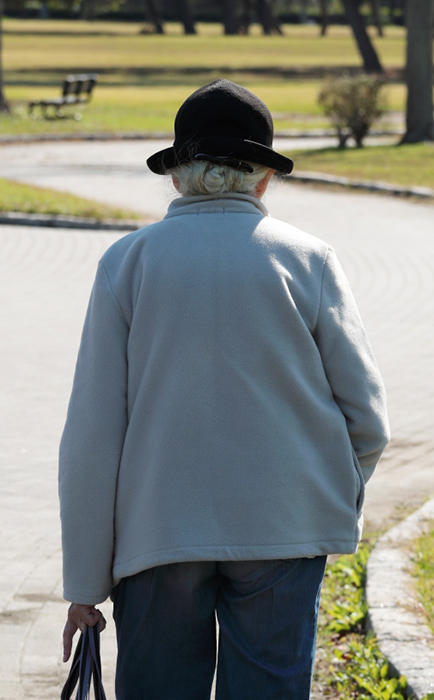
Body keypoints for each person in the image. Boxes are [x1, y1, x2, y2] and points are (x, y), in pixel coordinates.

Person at [58, 79, 389, 699]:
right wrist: (324, 496)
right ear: (263, 177)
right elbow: (367, 419)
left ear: (179, 173)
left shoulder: (127, 263)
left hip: (157, 530)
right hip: (284, 524)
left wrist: (84, 583)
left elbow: (93, 437)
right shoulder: (308, 260)